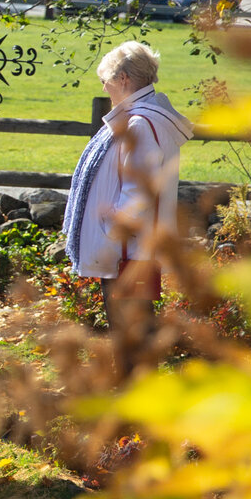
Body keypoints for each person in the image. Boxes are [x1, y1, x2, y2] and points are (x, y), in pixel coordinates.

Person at [64, 41, 191, 361]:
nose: (104, 87)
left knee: (131, 329)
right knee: (130, 328)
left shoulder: (140, 123)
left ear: (123, 79)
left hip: (129, 249)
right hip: (130, 246)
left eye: (105, 80)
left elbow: (139, 191)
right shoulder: (141, 117)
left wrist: (112, 228)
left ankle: (134, 398)